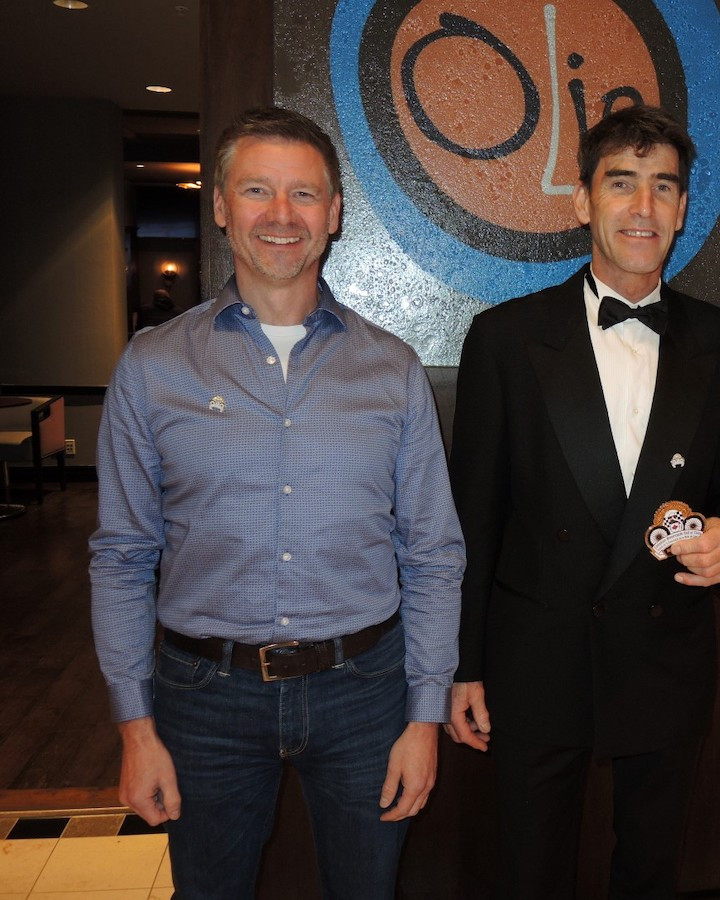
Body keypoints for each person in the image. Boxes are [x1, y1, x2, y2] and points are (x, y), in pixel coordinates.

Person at [90, 107, 465, 900]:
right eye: (257, 190)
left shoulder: (391, 370)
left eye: (304, 194)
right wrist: (135, 728)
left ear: (333, 214)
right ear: (221, 205)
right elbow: (123, 555)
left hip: (366, 691)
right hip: (203, 698)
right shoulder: (154, 367)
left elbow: (432, 554)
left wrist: (423, 719)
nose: (281, 215)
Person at [446, 105, 720, 897]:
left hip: (664, 659)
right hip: (536, 661)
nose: (644, 206)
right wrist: (464, 667)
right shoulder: (503, 339)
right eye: (621, 183)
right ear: (584, 200)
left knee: (651, 873)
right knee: (530, 872)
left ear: (684, 208)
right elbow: (474, 519)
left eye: (664, 187)